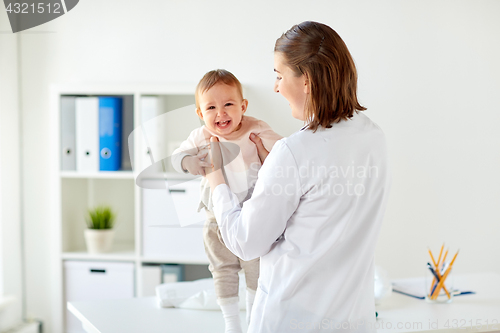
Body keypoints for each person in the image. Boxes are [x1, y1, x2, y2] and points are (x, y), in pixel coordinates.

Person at [205, 21, 391, 332]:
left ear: (306, 80)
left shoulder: (294, 152)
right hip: (353, 321)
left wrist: (216, 181)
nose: (276, 86)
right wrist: (274, 176)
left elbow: (245, 242)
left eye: (279, 75)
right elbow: (321, 220)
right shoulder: (374, 138)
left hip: (292, 321)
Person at [171, 69, 282, 333]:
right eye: (211, 107)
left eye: (229, 104)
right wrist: (190, 162)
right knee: (222, 269)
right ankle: (231, 324)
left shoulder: (257, 128)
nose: (221, 113)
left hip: (252, 216)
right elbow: (177, 158)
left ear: (243, 106)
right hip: (215, 219)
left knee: (257, 269)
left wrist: (267, 157)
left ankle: (255, 320)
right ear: (200, 114)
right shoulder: (201, 135)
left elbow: (283, 155)